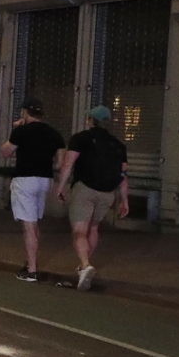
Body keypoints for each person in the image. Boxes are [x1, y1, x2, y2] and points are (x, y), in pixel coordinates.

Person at [54, 104, 132, 292]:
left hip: (85, 189)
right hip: (107, 193)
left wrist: (61, 186)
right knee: (94, 228)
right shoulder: (118, 145)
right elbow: (122, 175)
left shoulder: (80, 138)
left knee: (79, 231)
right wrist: (125, 200)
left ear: (90, 120)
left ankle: (85, 264)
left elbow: (68, 164)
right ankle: (84, 266)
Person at [0, 99, 64, 282]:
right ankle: (29, 262)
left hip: (24, 180)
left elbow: (5, 152)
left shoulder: (21, 131)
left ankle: (32, 270)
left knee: (28, 226)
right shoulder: (54, 134)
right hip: (45, 180)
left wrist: (15, 130)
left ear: (25, 113)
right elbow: (59, 163)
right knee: (34, 223)